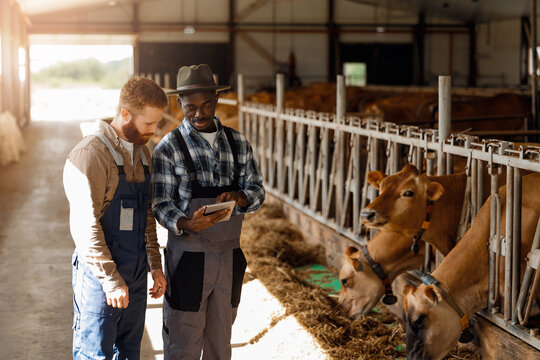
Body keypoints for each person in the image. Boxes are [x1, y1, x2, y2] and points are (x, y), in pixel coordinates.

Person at [152, 64, 265, 359]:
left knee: (220, 339)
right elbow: (160, 204)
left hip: (229, 256)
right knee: (183, 339)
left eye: (207, 105)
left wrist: (241, 197)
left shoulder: (238, 143)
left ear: (216, 102)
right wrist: (186, 222)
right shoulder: (168, 148)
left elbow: (257, 191)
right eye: (191, 107)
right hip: (187, 256)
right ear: (180, 104)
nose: (199, 114)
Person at [63, 77, 168, 359]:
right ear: (125, 115)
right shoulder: (91, 154)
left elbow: (146, 215)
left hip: (134, 272)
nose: (154, 130)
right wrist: (111, 280)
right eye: (148, 123)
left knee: (129, 350)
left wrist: (155, 266)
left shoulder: (142, 152)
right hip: (100, 276)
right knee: (95, 353)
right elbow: (85, 227)